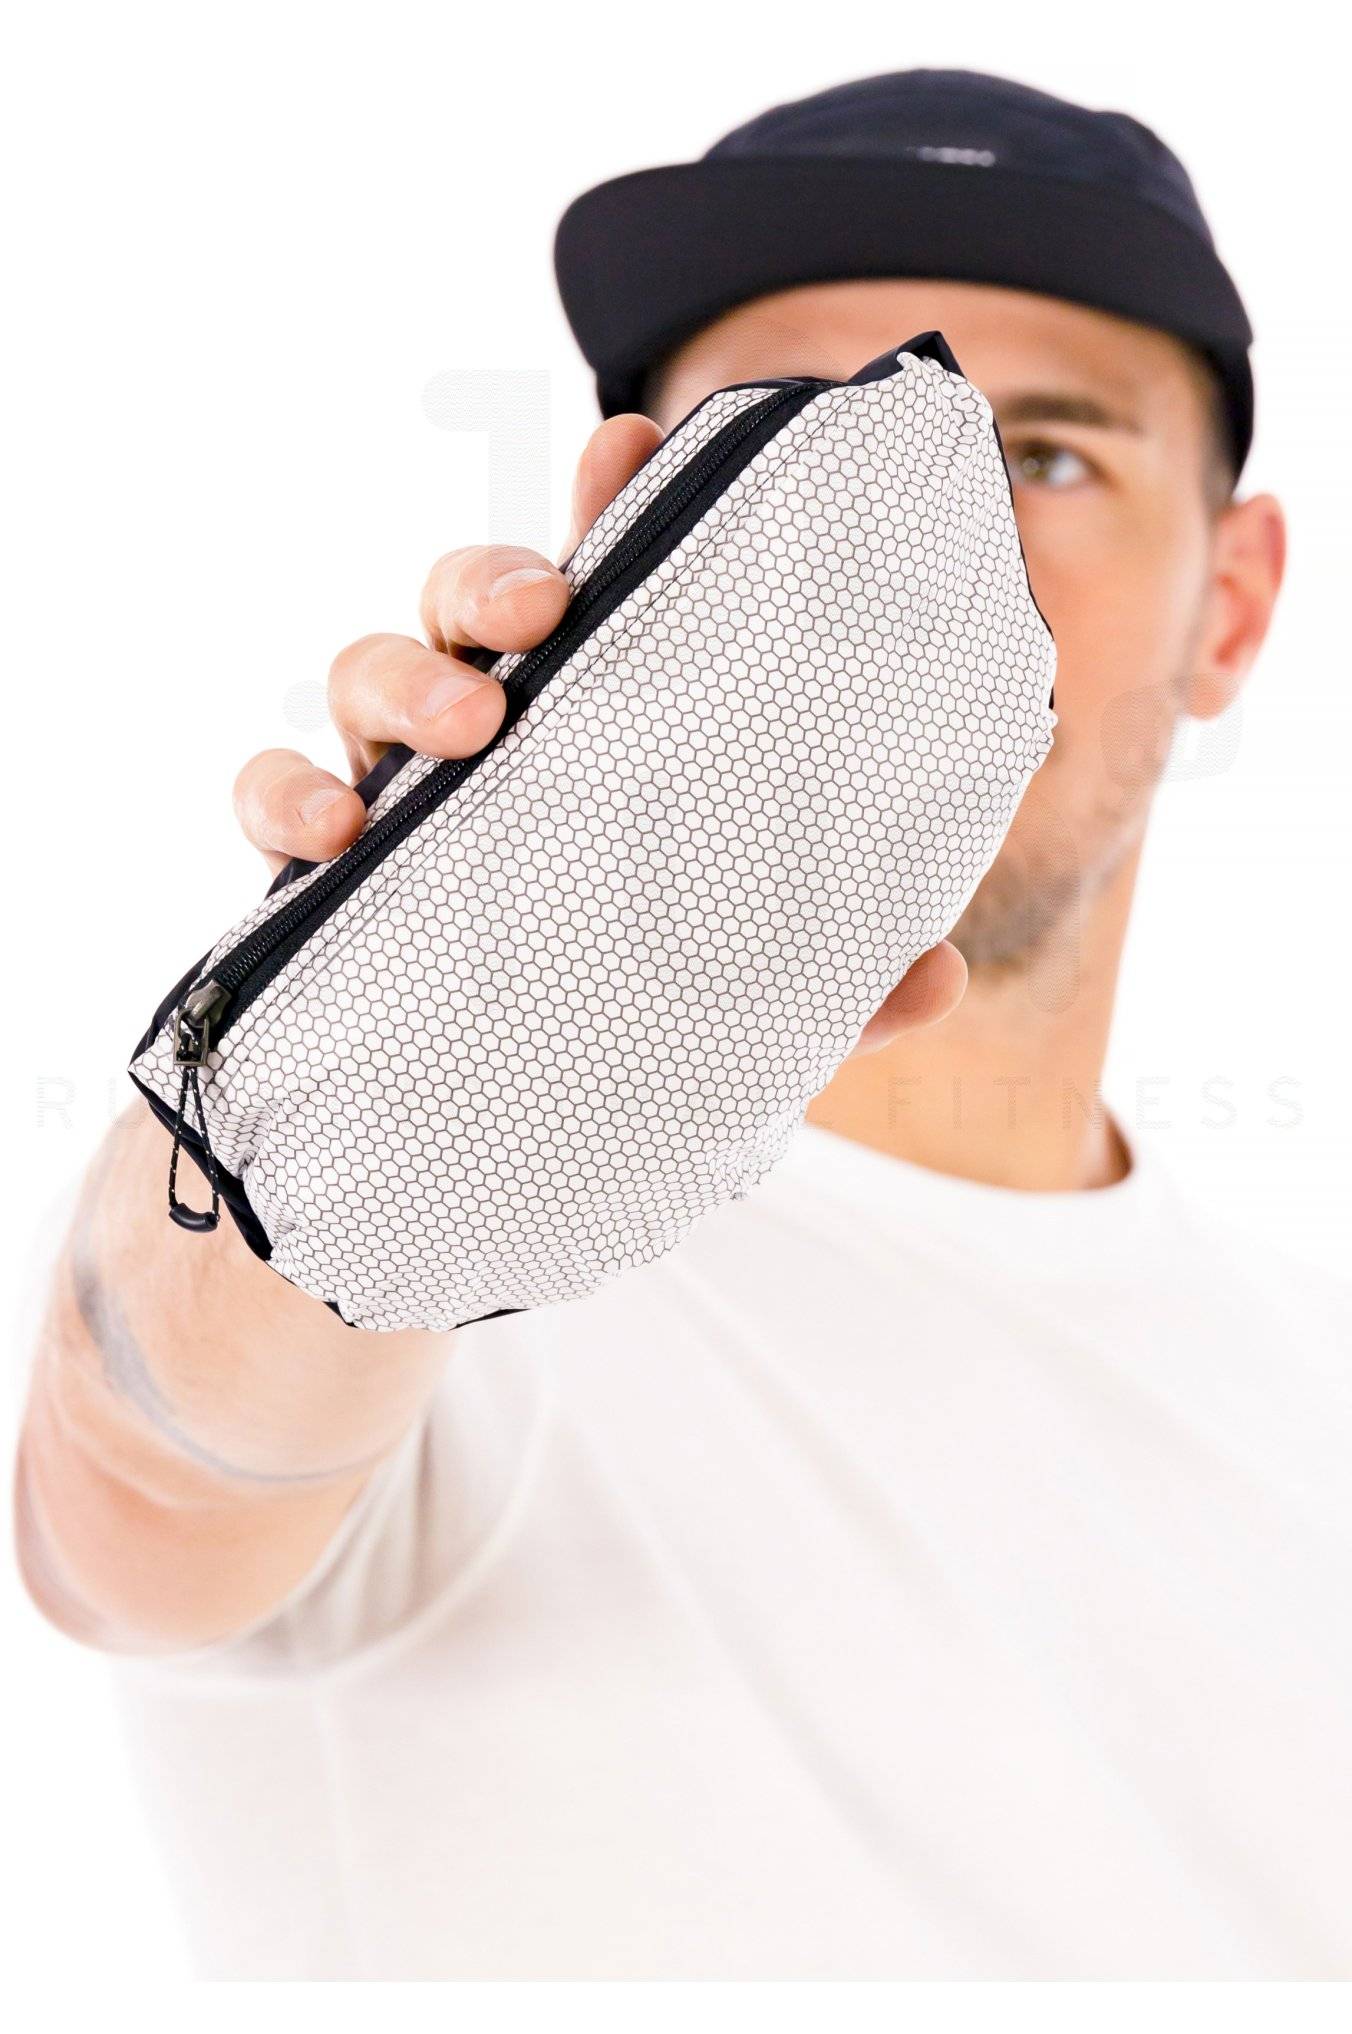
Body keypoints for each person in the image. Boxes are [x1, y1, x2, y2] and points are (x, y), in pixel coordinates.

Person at [15, 70, 1351, 1980]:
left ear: (1232, 604)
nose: (937, 555)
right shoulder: (456, 1278)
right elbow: (138, 1493)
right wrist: (382, 1024)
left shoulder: (1314, 1395)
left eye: (1047, 457)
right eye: (809, 439)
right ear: (622, 520)